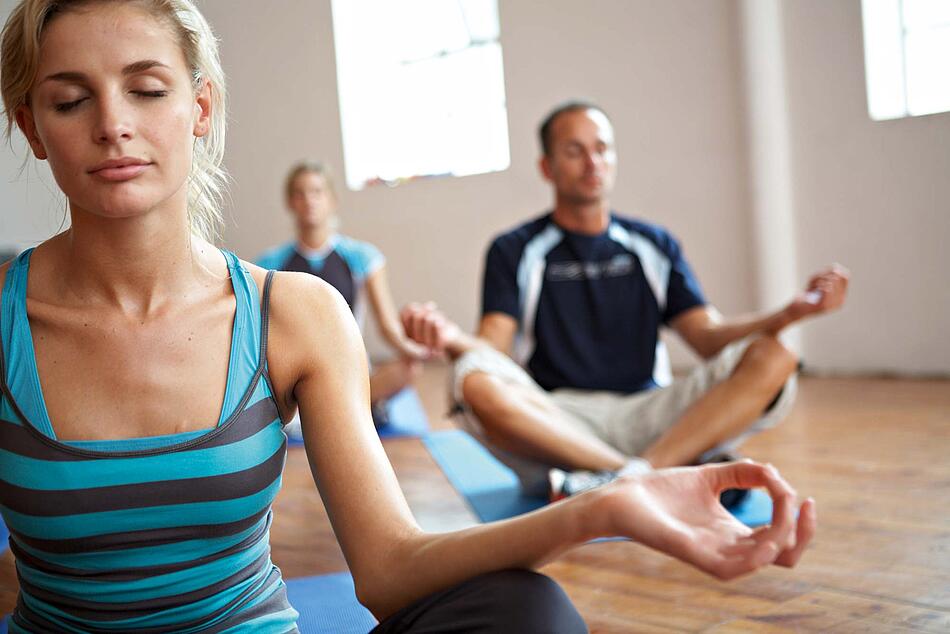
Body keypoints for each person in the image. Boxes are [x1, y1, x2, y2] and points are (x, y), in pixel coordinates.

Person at [0, 2, 815, 631]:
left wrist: (605, 508)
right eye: (72, 101)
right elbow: (491, 353)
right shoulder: (7, 322)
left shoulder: (297, 310)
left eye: (146, 89)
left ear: (201, 106)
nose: (114, 125)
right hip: (552, 404)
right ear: (33, 126)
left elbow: (387, 569)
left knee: (526, 613)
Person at [401, 101, 850, 500]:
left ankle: (626, 477)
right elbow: (493, 348)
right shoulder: (514, 248)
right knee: (471, 379)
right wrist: (451, 338)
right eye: (574, 151)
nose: (592, 162)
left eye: (602, 148)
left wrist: (791, 313)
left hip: (650, 413)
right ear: (547, 167)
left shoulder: (652, 244)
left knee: (776, 355)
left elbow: (708, 339)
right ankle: (645, 474)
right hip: (559, 419)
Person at [257, 162, 425, 430]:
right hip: (296, 373)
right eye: (300, 194)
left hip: (351, 368)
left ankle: (341, 409)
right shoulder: (270, 263)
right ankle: (347, 411)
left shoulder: (362, 257)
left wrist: (415, 350)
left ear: (332, 200)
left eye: (316, 192)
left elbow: (387, 324)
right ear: (290, 203)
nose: (309, 201)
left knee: (408, 369)